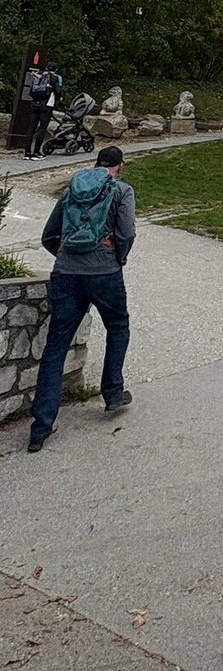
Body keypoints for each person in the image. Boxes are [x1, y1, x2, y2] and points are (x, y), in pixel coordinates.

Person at [28, 146, 136, 453]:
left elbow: (49, 234)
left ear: (96, 164)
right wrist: (118, 258)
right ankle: (113, 393)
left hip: (65, 272)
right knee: (118, 326)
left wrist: (67, 257)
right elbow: (126, 232)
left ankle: (40, 426)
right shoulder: (122, 190)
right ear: (120, 167)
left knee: (56, 344)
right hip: (105, 272)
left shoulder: (71, 189)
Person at [23, 60, 64, 158]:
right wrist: (59, 98)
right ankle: (36, 152)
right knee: (42, 128)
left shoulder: (38, 75)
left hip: (35, 104)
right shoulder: (55, 78)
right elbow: (58, 91)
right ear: (56, 69)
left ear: (46, 68)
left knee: (31, 128)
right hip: (47, 105)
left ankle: (27, 152)